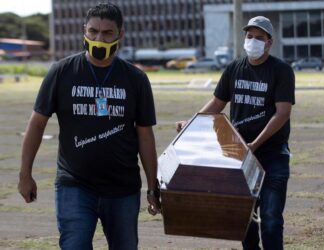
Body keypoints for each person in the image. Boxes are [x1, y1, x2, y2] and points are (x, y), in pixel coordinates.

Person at [18, 3, 160, 249]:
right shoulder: (62, 72)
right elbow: (37, 124)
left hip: (122, 188)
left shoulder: (136, 79)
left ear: (120, 35)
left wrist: (152, 186)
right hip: (75, 185)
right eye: (93, 31)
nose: (99, 38)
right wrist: (24, 174)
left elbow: (145, 134)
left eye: (107, 33)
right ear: (84, 30)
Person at [177, 16, 295, 250]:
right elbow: (216, 104)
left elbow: (282, 113)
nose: (252, 41)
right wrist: (190, 124)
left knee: (271, 219)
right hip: (239, 156)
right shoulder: (234, 69)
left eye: (259, 38)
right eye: (249, 36)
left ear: (269, 42)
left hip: (273, 156)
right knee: (243, 220)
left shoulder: (281, 71)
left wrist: (255, 143)